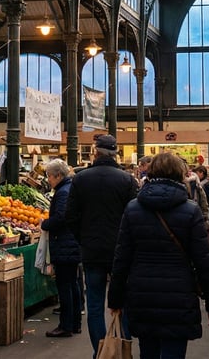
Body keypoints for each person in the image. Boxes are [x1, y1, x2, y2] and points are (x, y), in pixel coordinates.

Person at [108, 153, 209, 358]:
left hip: (141, 291)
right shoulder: (190, 210)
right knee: (174, 351)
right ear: (180, 174)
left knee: (148, 350)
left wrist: (115, 299)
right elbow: (204, 260)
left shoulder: (133, 208)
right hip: (179, 292)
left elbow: (121, 257)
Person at [65, 134, 138, 356]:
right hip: (120, 250)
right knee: (122, 301)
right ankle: (123, 348)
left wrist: (83, 239)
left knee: (95, 303)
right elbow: (133, 215)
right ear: (115, 153)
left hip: (92, 250)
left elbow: (70, 216)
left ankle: (100, 351)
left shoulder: (80, 179)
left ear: (95, 152)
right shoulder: (127, 180)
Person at [40, 159, 82, 338]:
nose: (48, 179)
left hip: (66, 245)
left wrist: (45, 224)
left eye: (49, 176)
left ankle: (66, 325)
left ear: (58, 175)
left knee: (65, 286)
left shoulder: (63, 192)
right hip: (70, 244)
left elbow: (61, 218)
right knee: (71, 284)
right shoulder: (68, 188)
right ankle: (74, 323)